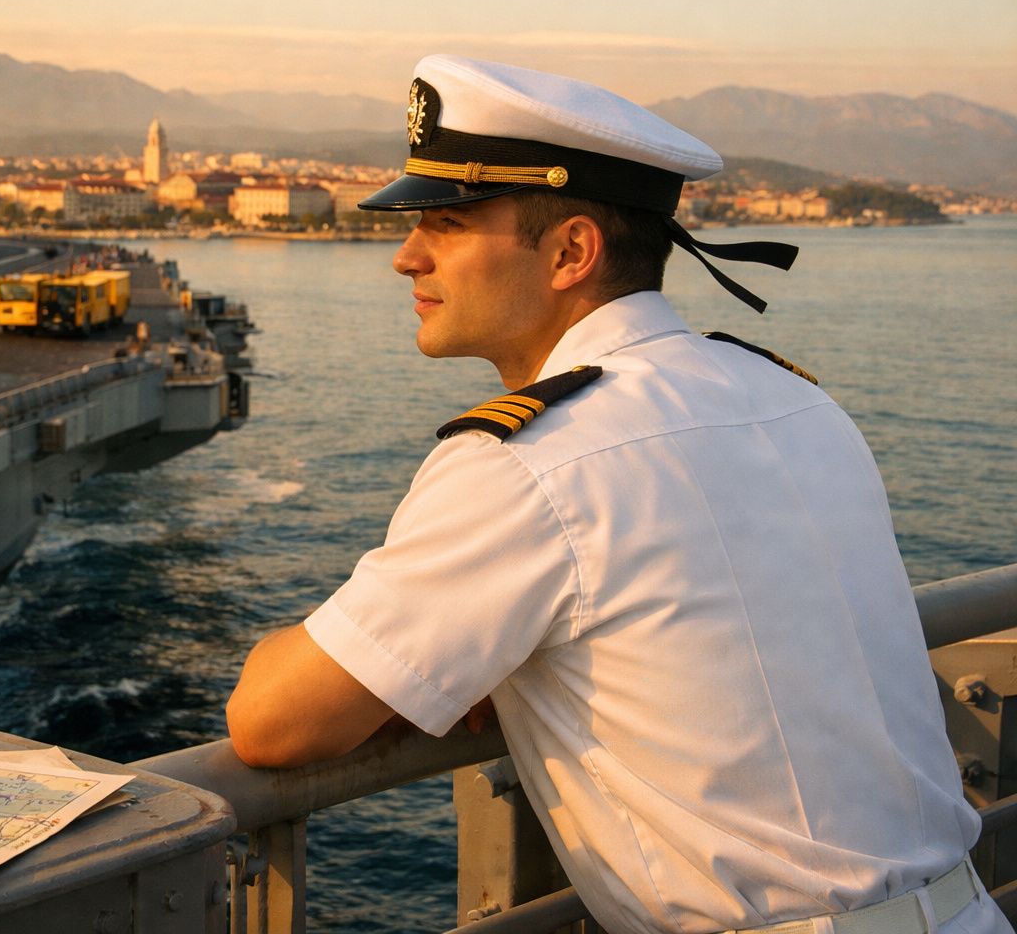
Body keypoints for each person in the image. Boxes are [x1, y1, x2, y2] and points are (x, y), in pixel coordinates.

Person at [225, 56, 1009, 934]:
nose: (407, 257)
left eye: (445, 224)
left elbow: (271, 723)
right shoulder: (794, 398)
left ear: (570, 252)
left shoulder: (530, 464)